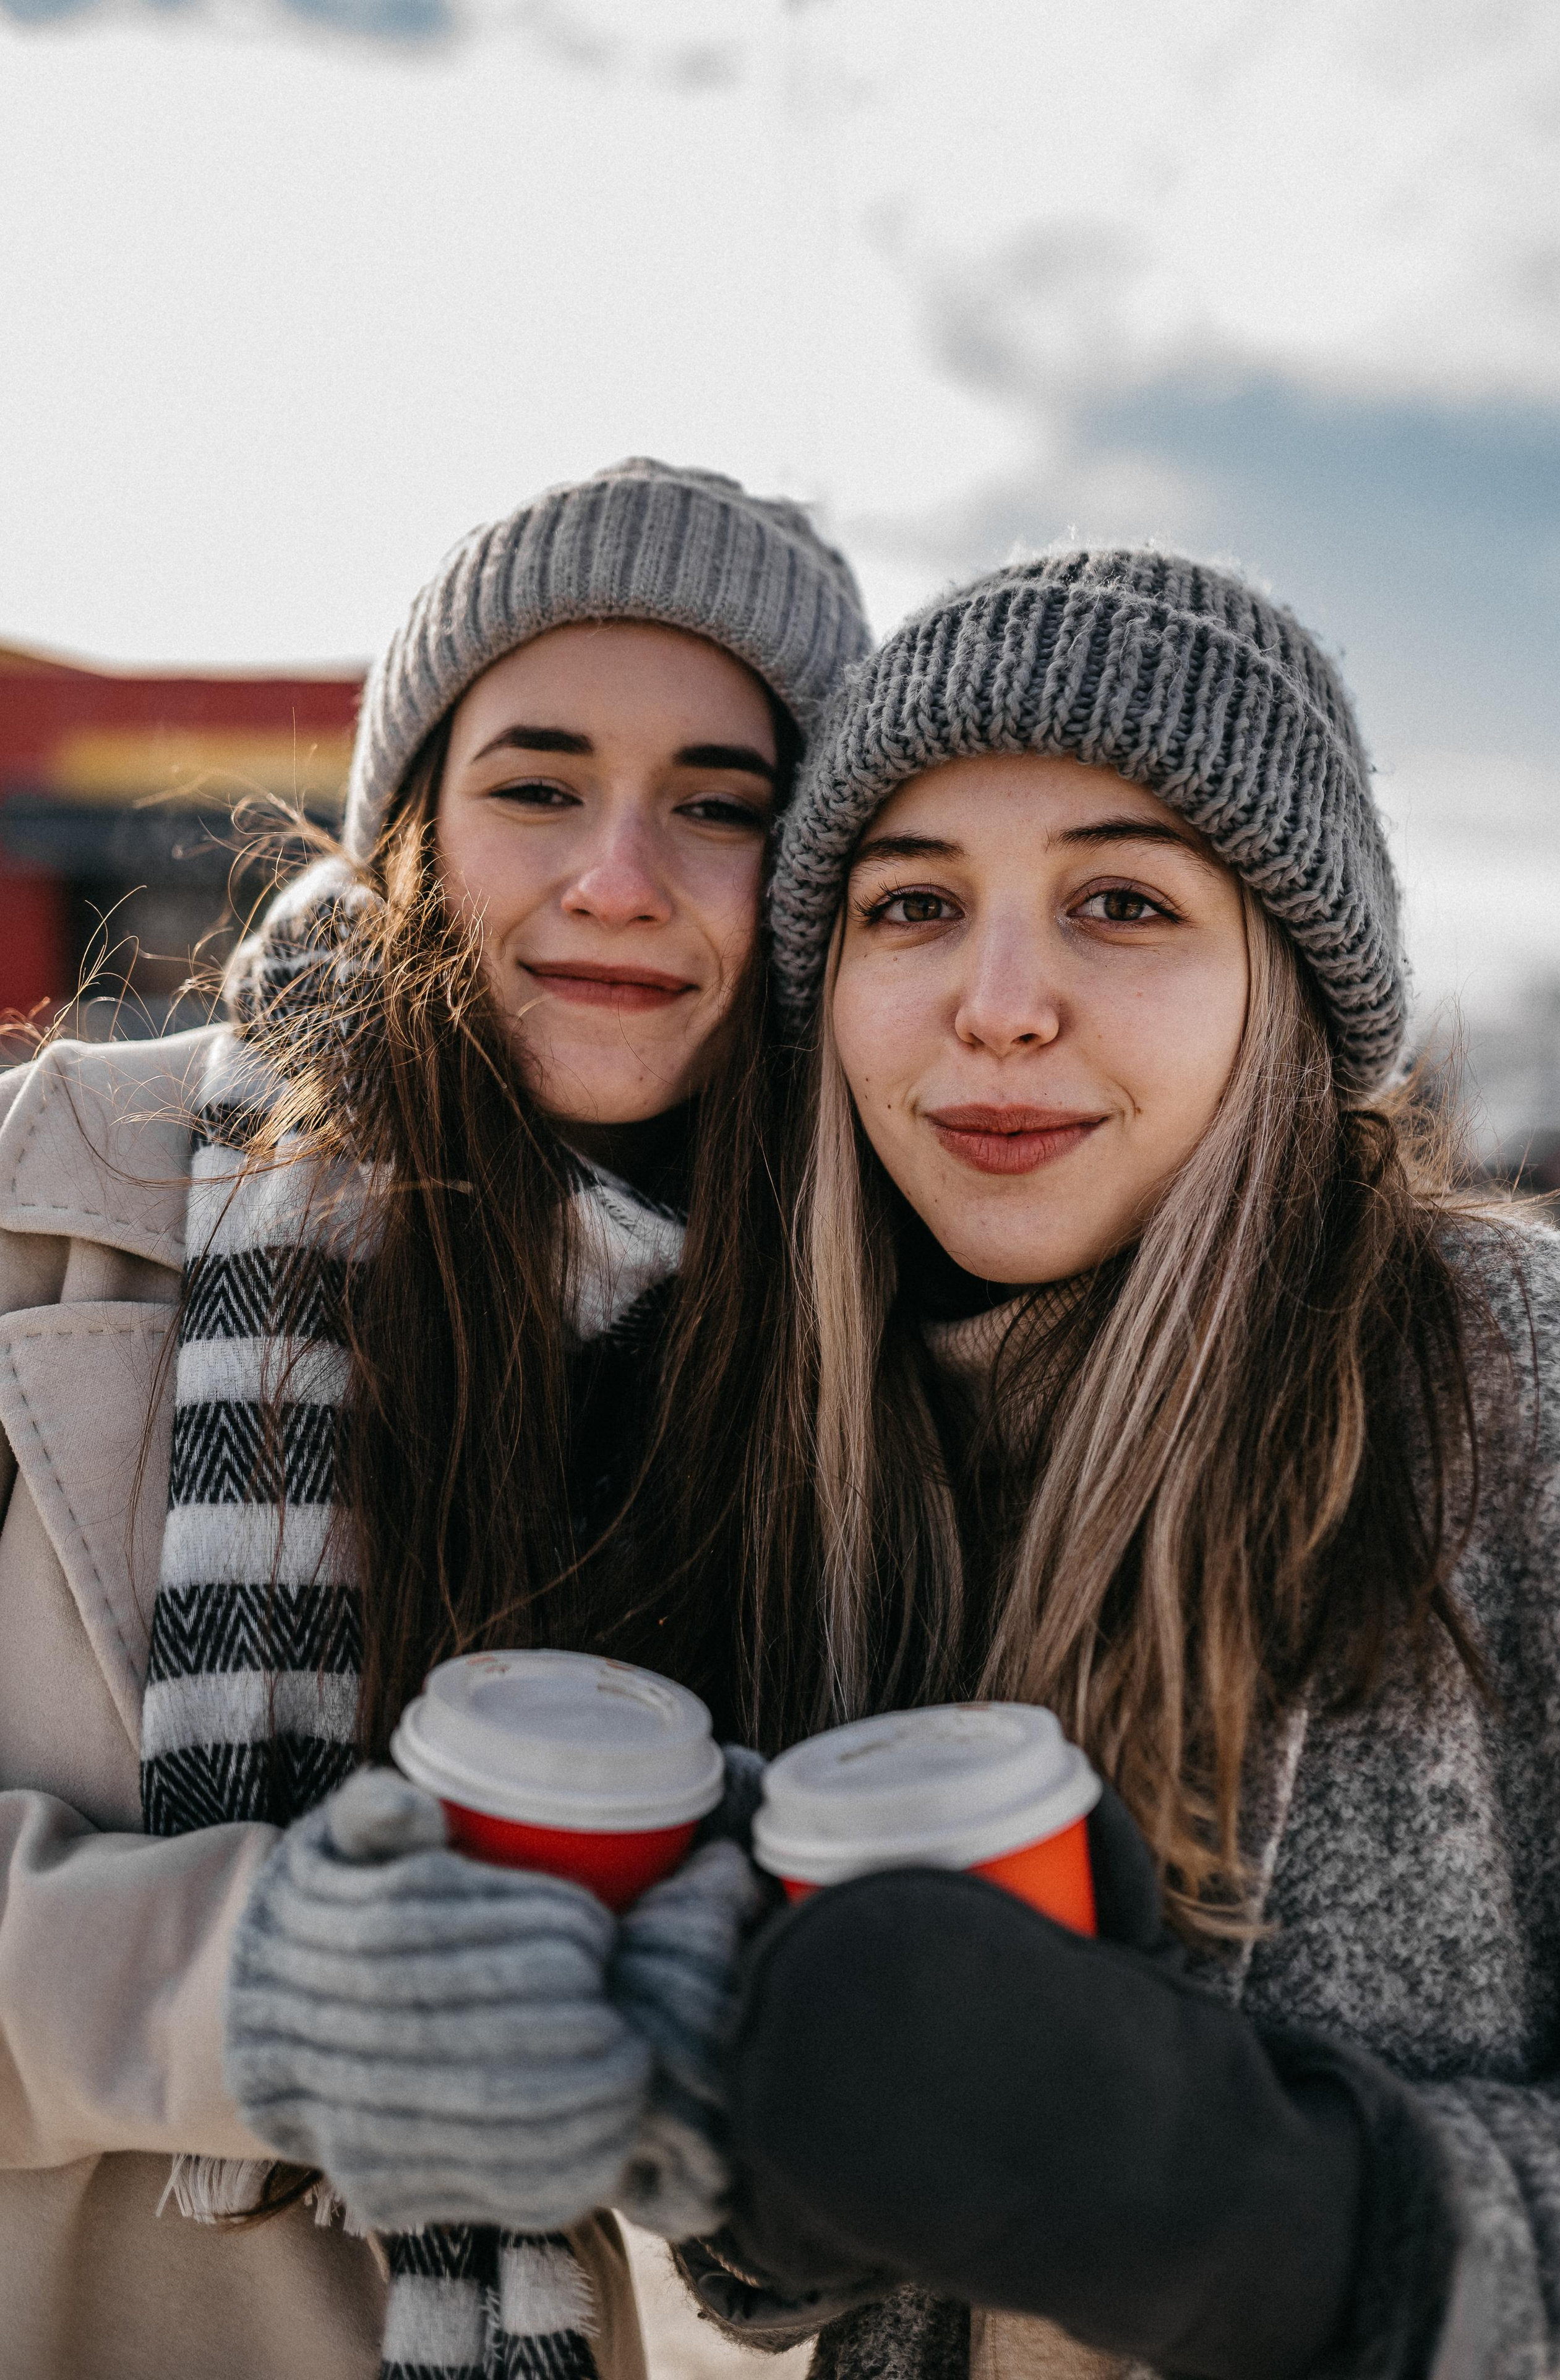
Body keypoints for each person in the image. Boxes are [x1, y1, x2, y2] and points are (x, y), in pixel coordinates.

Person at [0, 456, 868, 2380]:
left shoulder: (832, 1351)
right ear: (412, 827)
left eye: (720, 808)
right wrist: (265, 1994)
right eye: (537, 785)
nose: (618, 879)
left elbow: (776, 2259)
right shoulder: (42, 1200)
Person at [685, 551, 1560, 2380]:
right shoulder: (811, 1443)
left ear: (1290, 979)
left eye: (1120, 901)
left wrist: (1316, 2226)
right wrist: (769, 2173)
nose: (999, 1004)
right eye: (912, 907)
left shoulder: (1523, 1378)